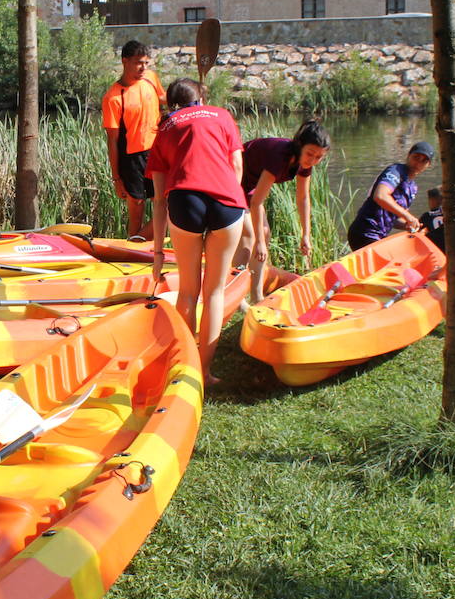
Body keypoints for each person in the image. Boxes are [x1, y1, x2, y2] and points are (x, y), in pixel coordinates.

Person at [147, 78, 247, 386]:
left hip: (185, 202)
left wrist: (158, 253)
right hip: (226, 202)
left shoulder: (164, 128)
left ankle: (183, 369)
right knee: (214, 293)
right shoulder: (222, 115)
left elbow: (160, 200)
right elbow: (237, 167)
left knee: (189, 292)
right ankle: (203, 373)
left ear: (169, 104)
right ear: (200, 97)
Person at [240, 118, 331, 302]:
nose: (313, 161)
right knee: (251, 235)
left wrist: (306, 234)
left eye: (319, 157)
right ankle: (237, 296)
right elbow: (257, 202)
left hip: (249, 186)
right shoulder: (279, 156)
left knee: (265, 234)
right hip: (233, 179)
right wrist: (258, 241)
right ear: (299, 146)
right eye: (310, 154)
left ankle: (257, 297)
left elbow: (303, 198)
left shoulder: (304, 165)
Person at [101, 40, 165, 241]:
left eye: (146, 63)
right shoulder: (113, 97)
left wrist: (195, 99)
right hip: (131, 157)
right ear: (125, 61)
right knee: (136, 206)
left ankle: (150, 247)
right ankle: (133, 246)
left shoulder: (150, 79)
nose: (143, 68)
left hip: (157, 151)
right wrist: (116, 179)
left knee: (164, 202)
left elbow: (164, 99)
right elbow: (112, 141)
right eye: (138, 63)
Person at [346, 141, 434, 253]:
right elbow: (380, 195)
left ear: (428, 165)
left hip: (378, 235)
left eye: (424, 160)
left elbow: (393, 219)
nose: (418, 163)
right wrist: (408, 216)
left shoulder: (412, 188)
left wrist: (407, 225)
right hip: (365, 231)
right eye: (416, 157)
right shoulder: (396, 171)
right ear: (408, 156)